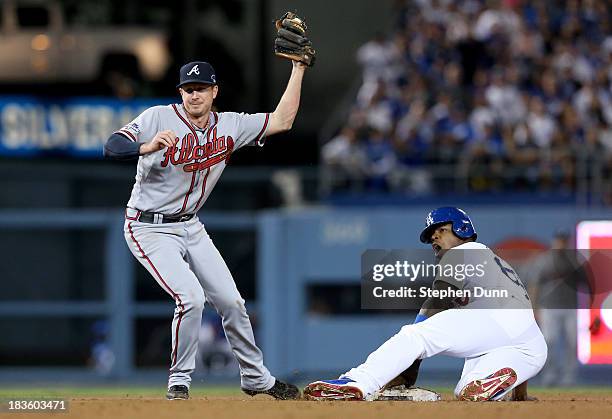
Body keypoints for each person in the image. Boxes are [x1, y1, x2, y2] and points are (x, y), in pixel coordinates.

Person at [103, 59, 307, 400]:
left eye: (200, 89)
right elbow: (112, 146)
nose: (193, 95)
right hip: (148, 226)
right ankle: (179, 380)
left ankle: (256, 379)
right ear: (180, 92)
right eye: (187, 89)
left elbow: (282, 120)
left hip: (191, 226)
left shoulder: (230, 125)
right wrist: (146, 146)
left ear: (215, 91)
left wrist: (298, 69)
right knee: (191, 298)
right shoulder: (157, 117)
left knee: (232, 302)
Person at [304, 207, 548, 401]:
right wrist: (520, 394)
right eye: (432, 236)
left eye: (441, 230)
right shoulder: (493, 261)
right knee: (468, 391)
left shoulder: (464, 251)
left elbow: (437, 300)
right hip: (532, 348)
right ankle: (498, 391)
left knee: (414, 334)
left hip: (497, 322)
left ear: (462, 229)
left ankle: (358, 382)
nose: (434, 238)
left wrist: (414, 356)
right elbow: (516, 325)